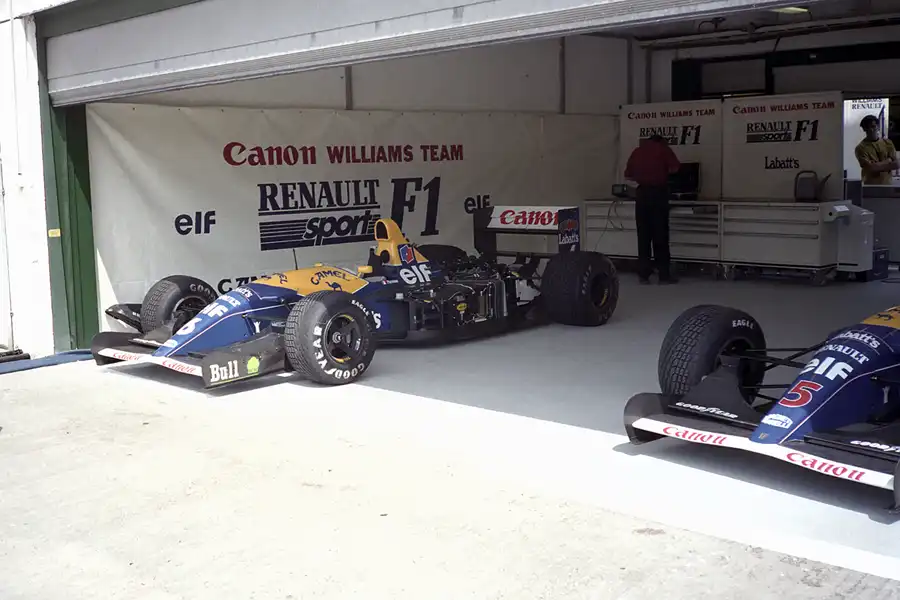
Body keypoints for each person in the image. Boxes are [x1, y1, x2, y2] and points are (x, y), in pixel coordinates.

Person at [624, 134, 681, 284]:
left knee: (643, 236)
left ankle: (644, 274)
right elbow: (675, 168)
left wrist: (643, 176)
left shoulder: (637, 151)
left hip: (642, 195)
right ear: (661, 140)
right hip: (658, 194)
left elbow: (628, 176)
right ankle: (664, 275)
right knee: (660, 235)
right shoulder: (663, 149)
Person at [855, 114, 898, 186]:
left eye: (873, 126)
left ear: (878, 127)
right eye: (868, 127)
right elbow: (871, 168)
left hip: (887, 185)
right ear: (864, 129)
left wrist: (877, 165)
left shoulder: (888, 143)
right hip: (870, 186)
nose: (871, 130)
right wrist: (889, 160)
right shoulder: (861, 148)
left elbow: (896, 165)